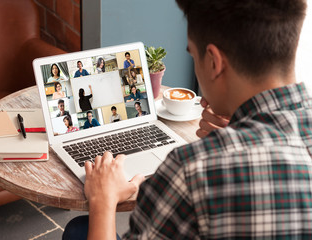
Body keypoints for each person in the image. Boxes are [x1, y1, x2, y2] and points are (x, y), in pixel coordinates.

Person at [63, 0, 312, 239]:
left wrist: (103, 200)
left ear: (214, 62)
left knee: (78, 230)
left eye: (192, 55)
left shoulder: (192, 170)